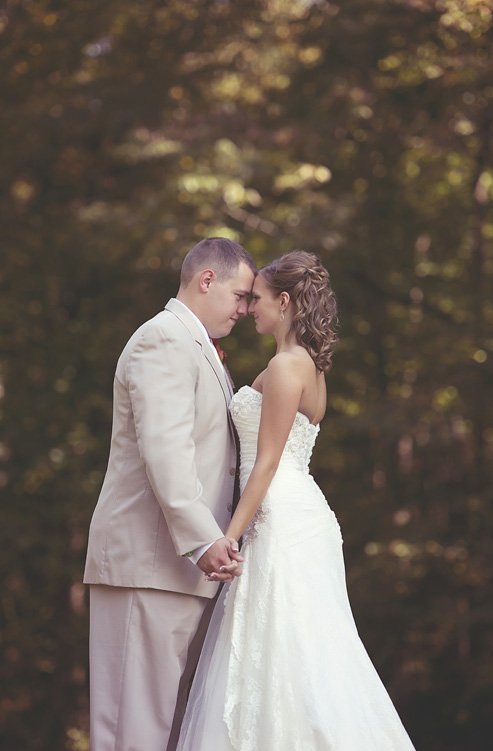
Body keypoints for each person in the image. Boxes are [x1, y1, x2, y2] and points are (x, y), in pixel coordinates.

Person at [177, 250, 416, 750]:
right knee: (292, 654)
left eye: (257, 299)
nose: (248, 309)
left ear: (284, 302)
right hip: (296, 511)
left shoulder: (287, 366)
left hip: (279, 517)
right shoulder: (302, 363)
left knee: (291, 654)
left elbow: (265, 463)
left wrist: (228, 536)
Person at [83, 237, 257, 751]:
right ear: (207, 280)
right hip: (147, 564)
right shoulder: (162, 340)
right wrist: (205, 541)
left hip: (176, 570)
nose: (246, 310)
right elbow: (167, 453)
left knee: (165, 729)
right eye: (241, 296)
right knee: (130, 731)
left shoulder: (198, 348)